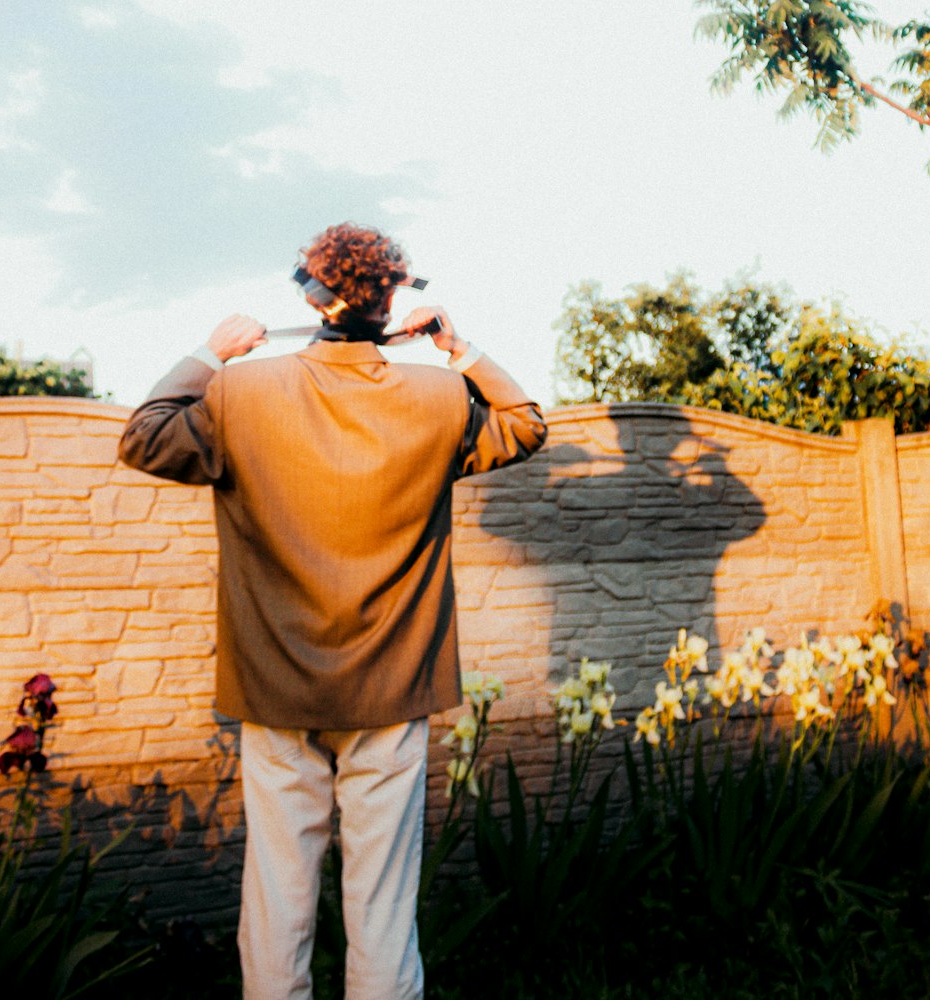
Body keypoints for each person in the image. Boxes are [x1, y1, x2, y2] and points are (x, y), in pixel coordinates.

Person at [118, 222, 548, 1000]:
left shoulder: (239, 392)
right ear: (394, 300)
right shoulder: (439, 395)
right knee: (382, 904)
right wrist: (460, 348)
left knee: (278, 894)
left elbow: (143, 437)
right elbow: (526, 425)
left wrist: (212, 352)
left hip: (275, 690)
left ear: (311, 294)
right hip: (391, 692)